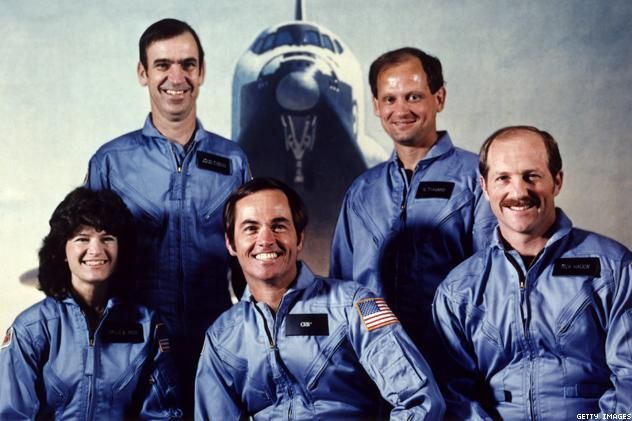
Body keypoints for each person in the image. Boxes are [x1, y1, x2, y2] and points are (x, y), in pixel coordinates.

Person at [85, 18, 250, 408]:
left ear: (201, 71)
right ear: (143, 73)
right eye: (162, 65)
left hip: (214, 342)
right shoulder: (111, 162)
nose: (177, 77)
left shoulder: (233, 161)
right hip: (132, 346)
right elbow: (86, 261)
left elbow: (247, 260)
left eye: (187, 64)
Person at [194, 178, 445, 419]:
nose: (266, 240)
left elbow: (420, 400)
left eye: (279, 226)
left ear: (299, 238)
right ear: (231, 244)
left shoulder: (354, 305)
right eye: (251, 228)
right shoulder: (222, 337)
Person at [433, 126, 632, 419]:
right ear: (485, 187)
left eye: (532, 176)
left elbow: (630, 380)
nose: (518, 192)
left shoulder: (613, 269)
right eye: (503, 178)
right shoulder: (458, 290)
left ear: (557, 181)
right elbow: (455, 394)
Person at [330, 47, 496, 357]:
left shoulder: (478, 179)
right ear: (376, 106)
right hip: (376, 364)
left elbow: (494, 281)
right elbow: (341, 288)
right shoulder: (362, 191)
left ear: (439, 98)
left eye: (414, 97)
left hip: (454, 361)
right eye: (390, 99)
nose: (401, 109)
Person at [0, 187, 182, 419]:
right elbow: (12, 416)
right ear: (63, 250)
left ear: (121, 248)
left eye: (107, 238)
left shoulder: (147, 327)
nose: (96, 250)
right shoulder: (32, 328)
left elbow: (161, 415)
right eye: (82, 239)